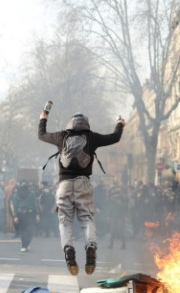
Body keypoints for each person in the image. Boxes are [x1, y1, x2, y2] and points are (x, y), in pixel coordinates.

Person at [38, 110, 124, 275]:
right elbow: (115, 137)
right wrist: (120, 123)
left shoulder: (61, 136)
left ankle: (69, 251)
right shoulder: (92, 137)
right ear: (86, 124)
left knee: (65, 221)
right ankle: (91, 246)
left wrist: (44, 117)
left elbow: (41, 134)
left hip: (64, 184)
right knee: (86, 219)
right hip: (83, 183)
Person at [10, 181, 39, 252]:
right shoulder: (16, 195)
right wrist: (15, 216)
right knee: (23, 231)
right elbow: (15, 206)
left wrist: (37, 215)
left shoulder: (31, 195)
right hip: (21, 214)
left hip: (30, 214)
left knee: (30, 231)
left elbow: (34, 205)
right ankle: (24, 245)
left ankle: (27, 244)